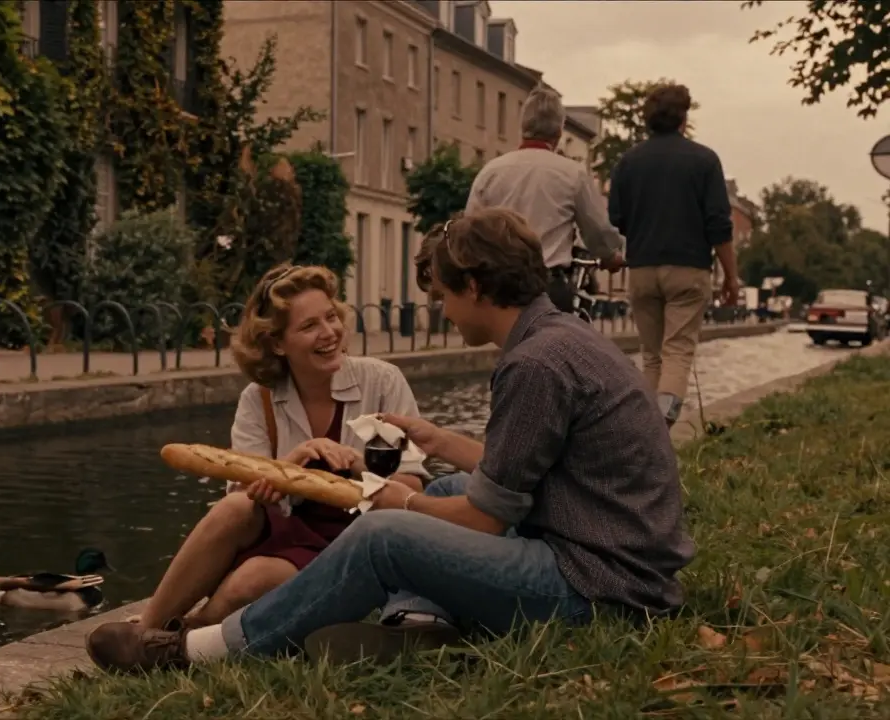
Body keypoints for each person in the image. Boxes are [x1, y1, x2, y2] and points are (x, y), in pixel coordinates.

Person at [85, 208, 695, 671]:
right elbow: (521, 471)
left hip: (597, 586)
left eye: (445, 295)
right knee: (450, 486)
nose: (442, 311)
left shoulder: (533, 364)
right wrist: (440, 441)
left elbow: (486, 519)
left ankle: (197, 652)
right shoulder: (560, 338)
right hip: (618, 563)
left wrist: (399, 504)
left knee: (385, 534)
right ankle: (423, 616)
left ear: (476, 288)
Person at [132, 263, 430, 632]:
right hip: (288, 529)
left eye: (331, 317)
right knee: (234, 507)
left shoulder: (382, 381)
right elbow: (242, 497)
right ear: (277, 343)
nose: (329, 333)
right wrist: (288, 469)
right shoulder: (259, 399)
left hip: (359, 537)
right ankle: (147, 628)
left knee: (251, 582)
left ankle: (179, 639)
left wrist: (353, 461)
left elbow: (413, 491)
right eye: (309, 326)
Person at [608, 82, 738, 426]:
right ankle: (660, 426)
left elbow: (617, 219)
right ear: (684, 118)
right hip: (688, 268)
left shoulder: (627, 162)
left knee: (652, 357)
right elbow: (719, 226)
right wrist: (731, 277)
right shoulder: (704, 161)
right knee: (677, 351)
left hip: (642, 270)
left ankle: (645, 432)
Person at [465, 87, 625, 314]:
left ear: (522, 127)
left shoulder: (490, 172)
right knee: (558, 343)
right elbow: (597, 230)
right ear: (559, 132)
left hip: (501, 286)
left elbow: (470, 231)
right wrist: (610, 256)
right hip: (547, 285)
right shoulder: (572, 174)